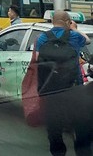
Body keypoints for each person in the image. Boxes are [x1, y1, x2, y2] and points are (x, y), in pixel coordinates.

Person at [36, 10, 92, 156]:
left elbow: (37, 59)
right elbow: (87, 40)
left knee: (54, 131)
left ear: (52, 22)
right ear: (68, 22)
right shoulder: (73, 36)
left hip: (51, 91)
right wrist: (73, 28)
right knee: (81, 129)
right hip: (74, 90)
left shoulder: (42, 38)